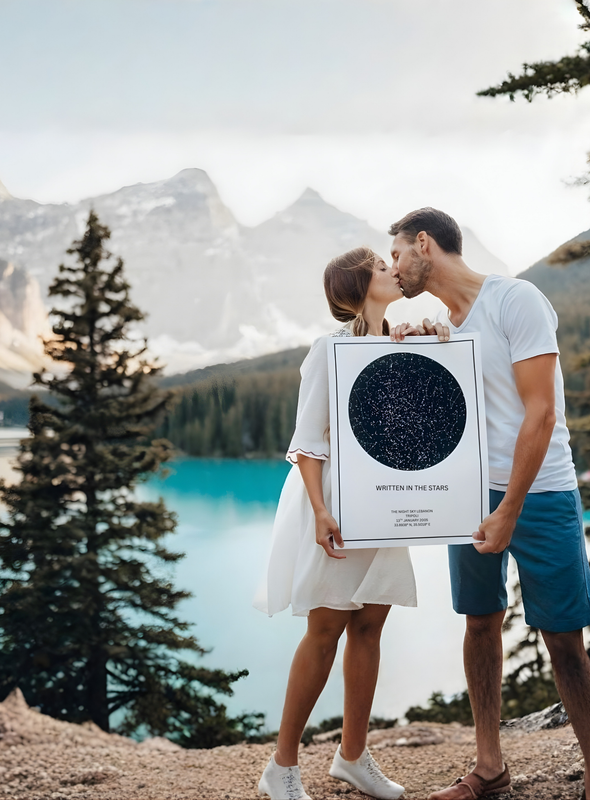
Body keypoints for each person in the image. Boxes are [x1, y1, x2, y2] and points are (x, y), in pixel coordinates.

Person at [389, 209, 590, 800]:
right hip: (467, 496)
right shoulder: (445, 323)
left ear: (423, 245)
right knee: (480, 624)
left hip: (540, 493)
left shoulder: (517, 300)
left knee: (564, 637)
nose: (393, 269)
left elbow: (540, 414)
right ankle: (489, 767)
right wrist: (408, 352)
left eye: (396, 256)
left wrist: (510, 508)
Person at [253, 246, 426, 800]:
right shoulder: (327, 350)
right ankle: (280, 769)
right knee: (325, 628)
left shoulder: (402, 343)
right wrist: (322, 511)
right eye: (380, 267)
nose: (392, 270)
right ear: (358, 286)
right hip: (335, 503)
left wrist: (434, 349)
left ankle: (352, 756)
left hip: (384, 498)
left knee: (371, 625)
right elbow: (307, 442)